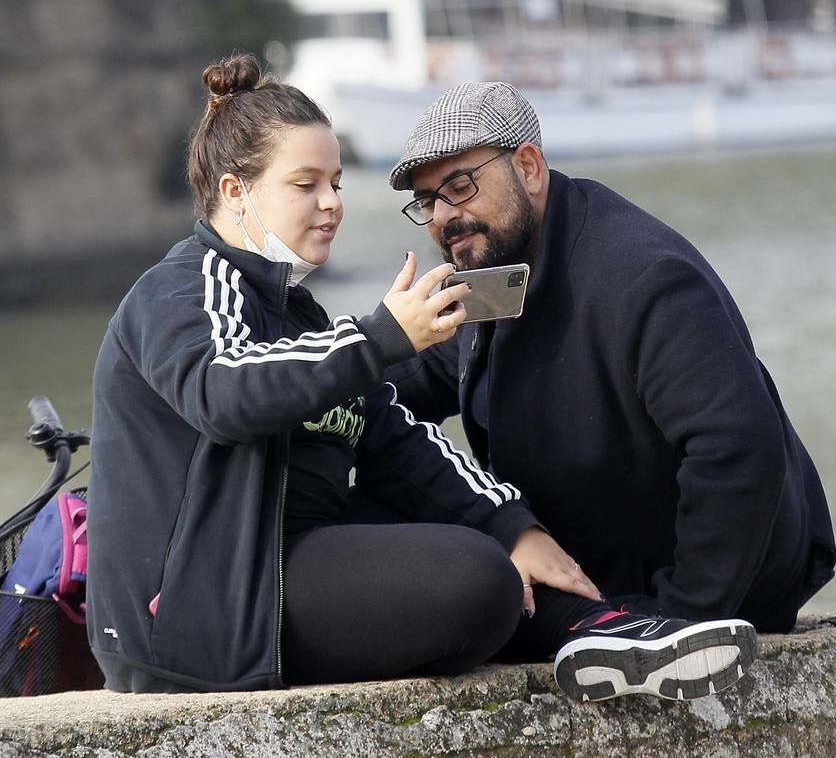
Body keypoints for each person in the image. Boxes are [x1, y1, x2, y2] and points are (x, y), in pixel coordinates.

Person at [86, 54, 641, 697]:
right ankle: (586, 629)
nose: (331, 204)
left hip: (293, 567)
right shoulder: (182, 290)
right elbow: (224, 391)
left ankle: (605, 632)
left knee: (511, 545)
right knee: (477, 579)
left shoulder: (297, 312)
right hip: (205, 614)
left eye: (338, 183)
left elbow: (392, 434)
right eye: (306, 185)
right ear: (236, 192)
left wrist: (515, 525)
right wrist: (382, 336)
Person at [386, 82, 835, 684]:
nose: (444, 217)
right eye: (427, 201)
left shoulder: (642, 276)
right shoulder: (493, 275)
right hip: (598, 581)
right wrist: (351, 358)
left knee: (477, 608)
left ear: (529, 166)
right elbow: (398, 389)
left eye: (460, 187)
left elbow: (735, 445)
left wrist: (684, 619)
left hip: (711, 587)